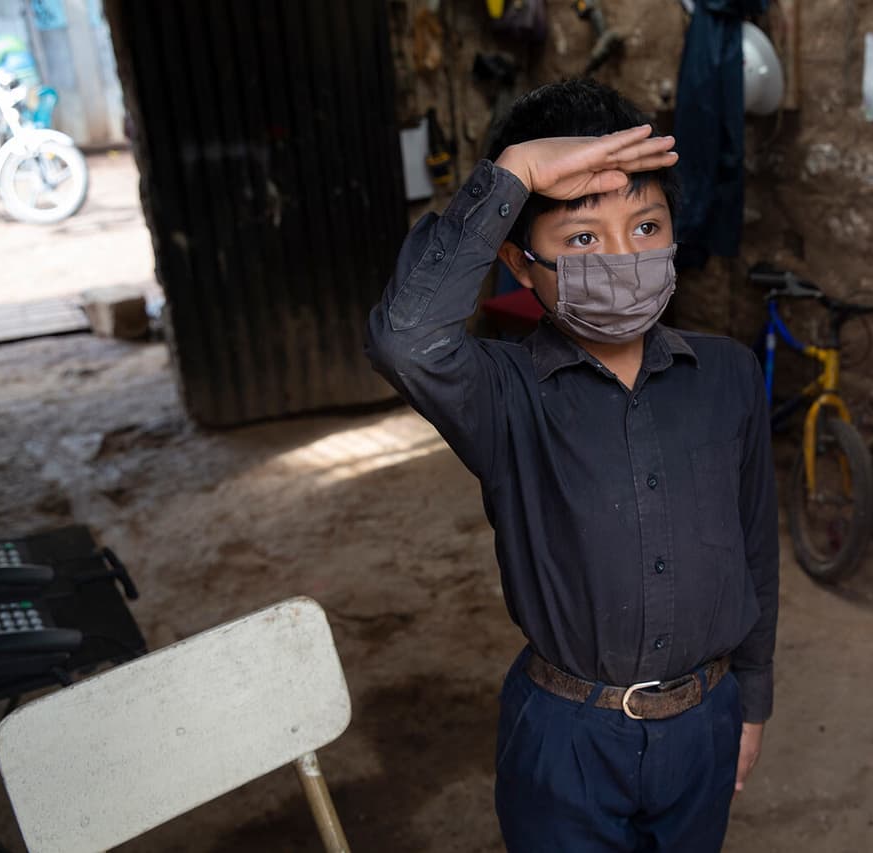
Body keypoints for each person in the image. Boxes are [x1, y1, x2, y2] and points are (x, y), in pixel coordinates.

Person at [365, 78, 778, 852]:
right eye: (583, 239)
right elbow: (405, 339)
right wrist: (513, 174)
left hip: (706, 721)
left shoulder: (727, 376)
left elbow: (756, 546)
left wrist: (751, 699)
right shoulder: (502, 394)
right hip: (565, 737)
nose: (625, 256)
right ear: (521, 266)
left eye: (646, 224)